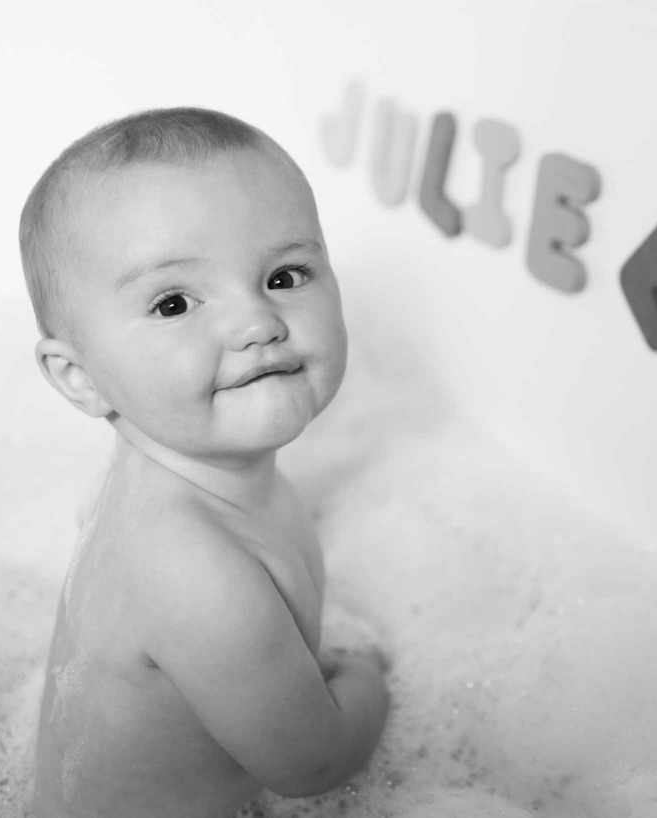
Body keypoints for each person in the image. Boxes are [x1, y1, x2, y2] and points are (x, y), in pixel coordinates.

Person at [19, 107, 390, 818]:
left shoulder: (160, 482)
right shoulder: (194, 571)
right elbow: (315, 763)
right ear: (81, 378)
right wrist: (368, 680)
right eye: (174, 302)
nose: (257, 321)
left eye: (285, 275)